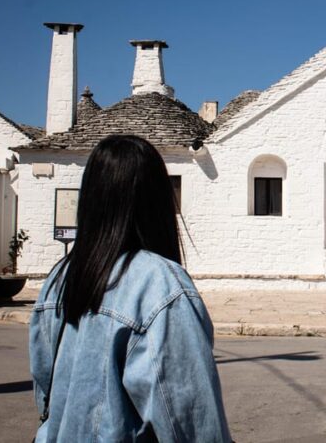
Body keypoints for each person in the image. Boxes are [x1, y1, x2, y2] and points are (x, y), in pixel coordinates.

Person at [29, 135, 232, 442]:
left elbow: (48, 393)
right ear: (158, 202)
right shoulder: (159, 286)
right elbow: (189, 422)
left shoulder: (59, 278)